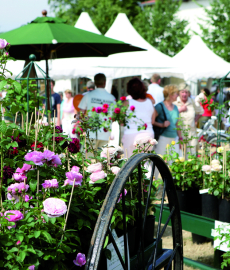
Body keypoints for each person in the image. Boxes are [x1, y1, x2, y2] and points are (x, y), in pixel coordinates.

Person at [78, 73, 115, 147]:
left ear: (94, 83)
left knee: (87, 158)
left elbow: (80, 115)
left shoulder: (88, 95)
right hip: (105, 133)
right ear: (105, 82)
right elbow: (113, 117)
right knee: (103, 158)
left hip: (91, 133)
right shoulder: (112, 98)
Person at [122, 78, 155, 158]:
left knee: (129, 162)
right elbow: (153, 121)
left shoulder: (126, 103)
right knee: (146, 162)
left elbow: (122, 122)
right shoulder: (150, 102)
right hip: (148, 134)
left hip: (131, 134)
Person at [173, 83, 204, 155]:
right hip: (179, 134)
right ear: (179, 93)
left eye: (186, 92)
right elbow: (170, 116)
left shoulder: (192, 102)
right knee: (180, 156)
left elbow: (201, 111)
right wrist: (179, 110)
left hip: (191, 134)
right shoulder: (174, 103)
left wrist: (195, 120)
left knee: (191, 155)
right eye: (182, 92)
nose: (184, 94)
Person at [153, 85, 182, 157]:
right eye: (176, 93)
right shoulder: (159, 106)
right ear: (170, 94)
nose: (177, 95)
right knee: (160, 160)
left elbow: (177, 124)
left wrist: (180, 138)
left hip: (174, 138)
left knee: (173, 162)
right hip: (162, 138)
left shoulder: (175, 107)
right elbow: (152, 121)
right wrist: (162, 125)